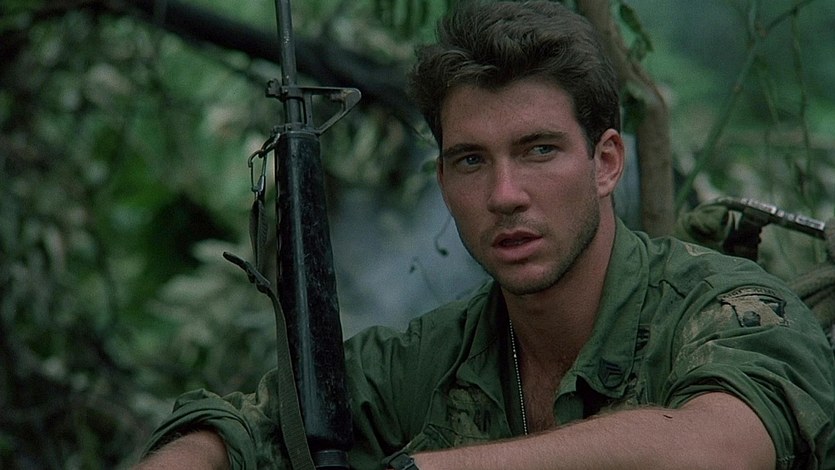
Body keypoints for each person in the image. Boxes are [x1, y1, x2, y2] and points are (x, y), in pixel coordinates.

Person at [137, 1, 835, 469]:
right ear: (442, 179)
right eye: (471, 161)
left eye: (538, 151)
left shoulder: (728, 308)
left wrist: (428, 469)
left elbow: (715, 448)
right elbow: (241, 427)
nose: (504, 195)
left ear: (605, 163)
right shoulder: (434, 354)